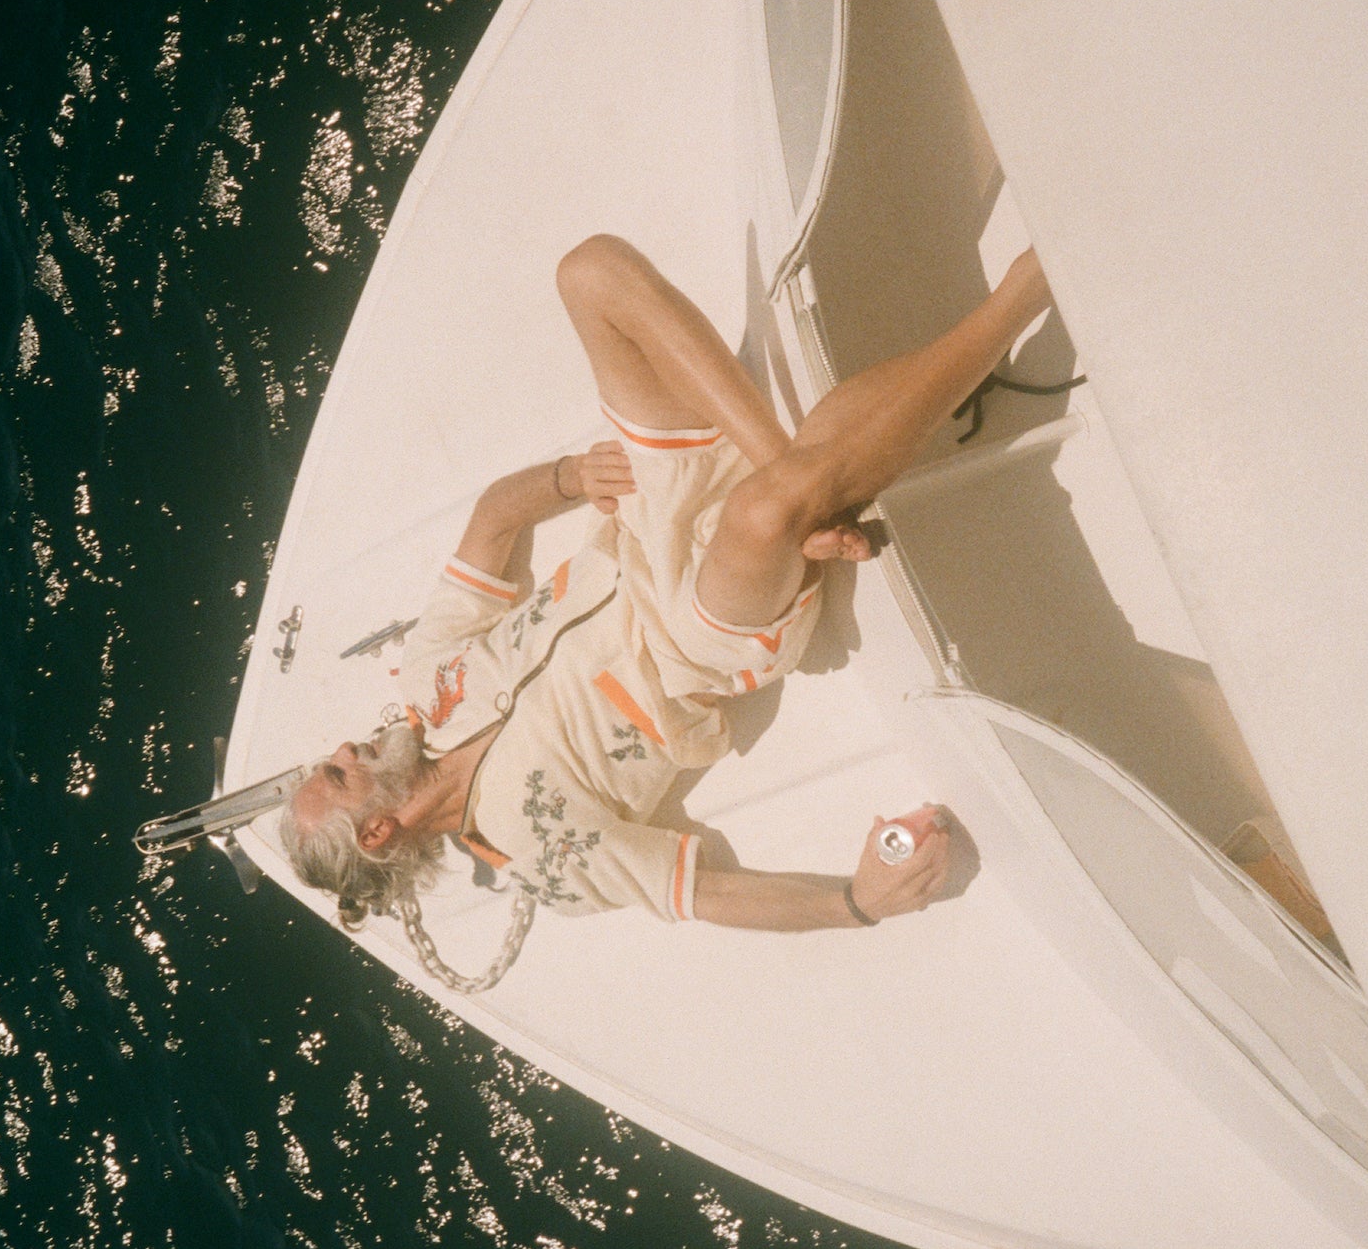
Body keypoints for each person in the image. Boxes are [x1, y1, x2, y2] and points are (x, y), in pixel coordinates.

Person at [279, 234, 1056, 940]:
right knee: (761, 511)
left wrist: (572, 478)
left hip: (642, 525)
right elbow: (704, 892)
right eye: (340, 772)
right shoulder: (539, 851)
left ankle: (792, 470)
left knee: (589, 273)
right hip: (699, 641)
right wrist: (856, 902)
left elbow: (491, 523)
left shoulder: (425, 681)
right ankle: (1029, 288)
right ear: (379, 831)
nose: (347, 745)